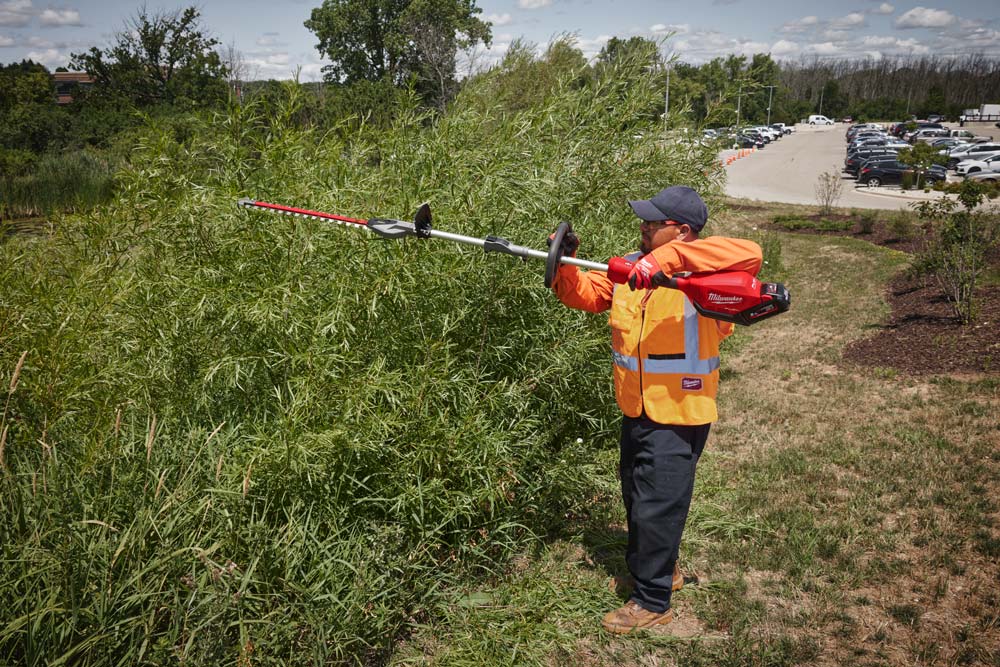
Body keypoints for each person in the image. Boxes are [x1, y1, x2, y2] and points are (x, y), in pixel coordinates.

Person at [550, 185, 762, 634]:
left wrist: (666, 262)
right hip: (636, 405)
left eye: (653, 222)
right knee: (637, 495)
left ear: (682, 231)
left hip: (680, 411)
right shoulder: (632, 267)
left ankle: (652, 600)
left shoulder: (709, 268)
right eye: (644, 222)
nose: (643, 228)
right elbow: (588, 294)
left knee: (656, 505)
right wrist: (564, 264)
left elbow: (752, 254)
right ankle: (664, 568)